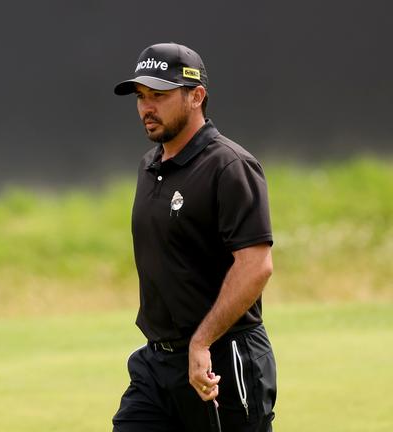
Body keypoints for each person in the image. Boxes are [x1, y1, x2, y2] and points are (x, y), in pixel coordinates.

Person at [110, 42, 277, 431]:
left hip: (223, 358)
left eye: (159, 96)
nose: (146, 108)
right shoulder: (150, 165)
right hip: (157, 365)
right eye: (141, 97)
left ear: (196, 96)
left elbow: (256, 266)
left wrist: (200, 343)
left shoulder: (230, 166)